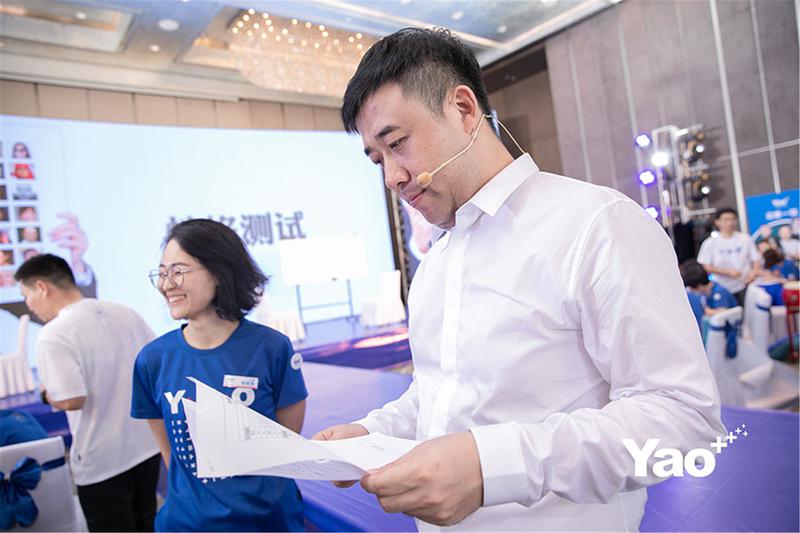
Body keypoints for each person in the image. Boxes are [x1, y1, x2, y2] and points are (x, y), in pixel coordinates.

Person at [313, 28, 724, 531]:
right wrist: (371, 433)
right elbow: (443, 392)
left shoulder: (595, 224)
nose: (393, 178)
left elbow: (684, 419)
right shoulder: (438, 260)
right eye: (378, 160)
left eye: (397, 144)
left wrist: (493, 466)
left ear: (463, 109)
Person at [131, 219, 307, 532]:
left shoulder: (271, 348)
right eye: (162, 273)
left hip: (267, 522)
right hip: (188, 524)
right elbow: (172, 455)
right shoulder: (153, 360)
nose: (166, 284)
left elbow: (286, 446)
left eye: (178, 271)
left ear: (219, 271)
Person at [14, 254, 160, 532]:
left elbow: (71, 399)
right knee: (147, 522)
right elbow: (157, 364)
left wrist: (46, 395)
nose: (28, 305)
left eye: (26, 295)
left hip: (102, 460)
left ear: (42, 287)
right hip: (145, 447)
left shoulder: (53, 334)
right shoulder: (124, 311)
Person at [697, 208, 760, 306]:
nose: (730, 223)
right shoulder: (710, 243)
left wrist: (753, 273)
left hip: (744, 285)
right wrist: (728, 272)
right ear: (717, 222)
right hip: (721, 287)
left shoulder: (745, 239)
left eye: (732, 219)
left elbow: (756, 259)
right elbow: (706, 266)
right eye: (726, 219)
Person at [680, 260, 738, 328]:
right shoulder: (705, 294)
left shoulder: (720, 292)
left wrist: (708, 311)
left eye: (691, 288)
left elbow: (726, 312)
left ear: (698, 286)